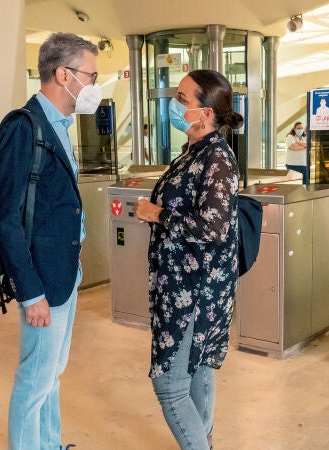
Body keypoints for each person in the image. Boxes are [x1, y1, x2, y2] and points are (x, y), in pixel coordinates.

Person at [0, 32, 100, 450]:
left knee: (52, 374)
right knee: (34, 379)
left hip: (65, 271)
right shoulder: (24, 127)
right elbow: (6, 218)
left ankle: (50, 444)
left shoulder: (60, 126)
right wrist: (30, 290)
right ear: (63, 75)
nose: (94, 85)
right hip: (41, 279)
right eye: (91, 76)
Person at [134, 69, 242, 450]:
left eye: (182, 99)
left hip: (195, 289)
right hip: (181, 281)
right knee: (198, 369)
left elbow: (213, 228)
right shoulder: (193, 153)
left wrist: (157, 214)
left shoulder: (218, 159)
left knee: (170, 385)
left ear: (206, 113)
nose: (174, 105)